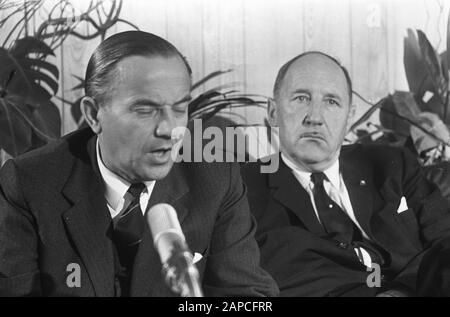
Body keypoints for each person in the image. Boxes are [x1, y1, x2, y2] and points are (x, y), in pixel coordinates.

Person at [0, 31, 278, 297]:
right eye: (145, 110)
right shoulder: (28, 181)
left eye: (180, 109)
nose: (169, 129)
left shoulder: (215, 177)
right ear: (94, 114)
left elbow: (247, 297)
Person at [241, 51, 450, 297]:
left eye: (331, 102)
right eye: (300, 98)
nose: (315, 117)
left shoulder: (391, 164)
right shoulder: (243, 188)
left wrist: (402, 291)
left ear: (349, 117)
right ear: (273, 112)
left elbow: (444, 238)